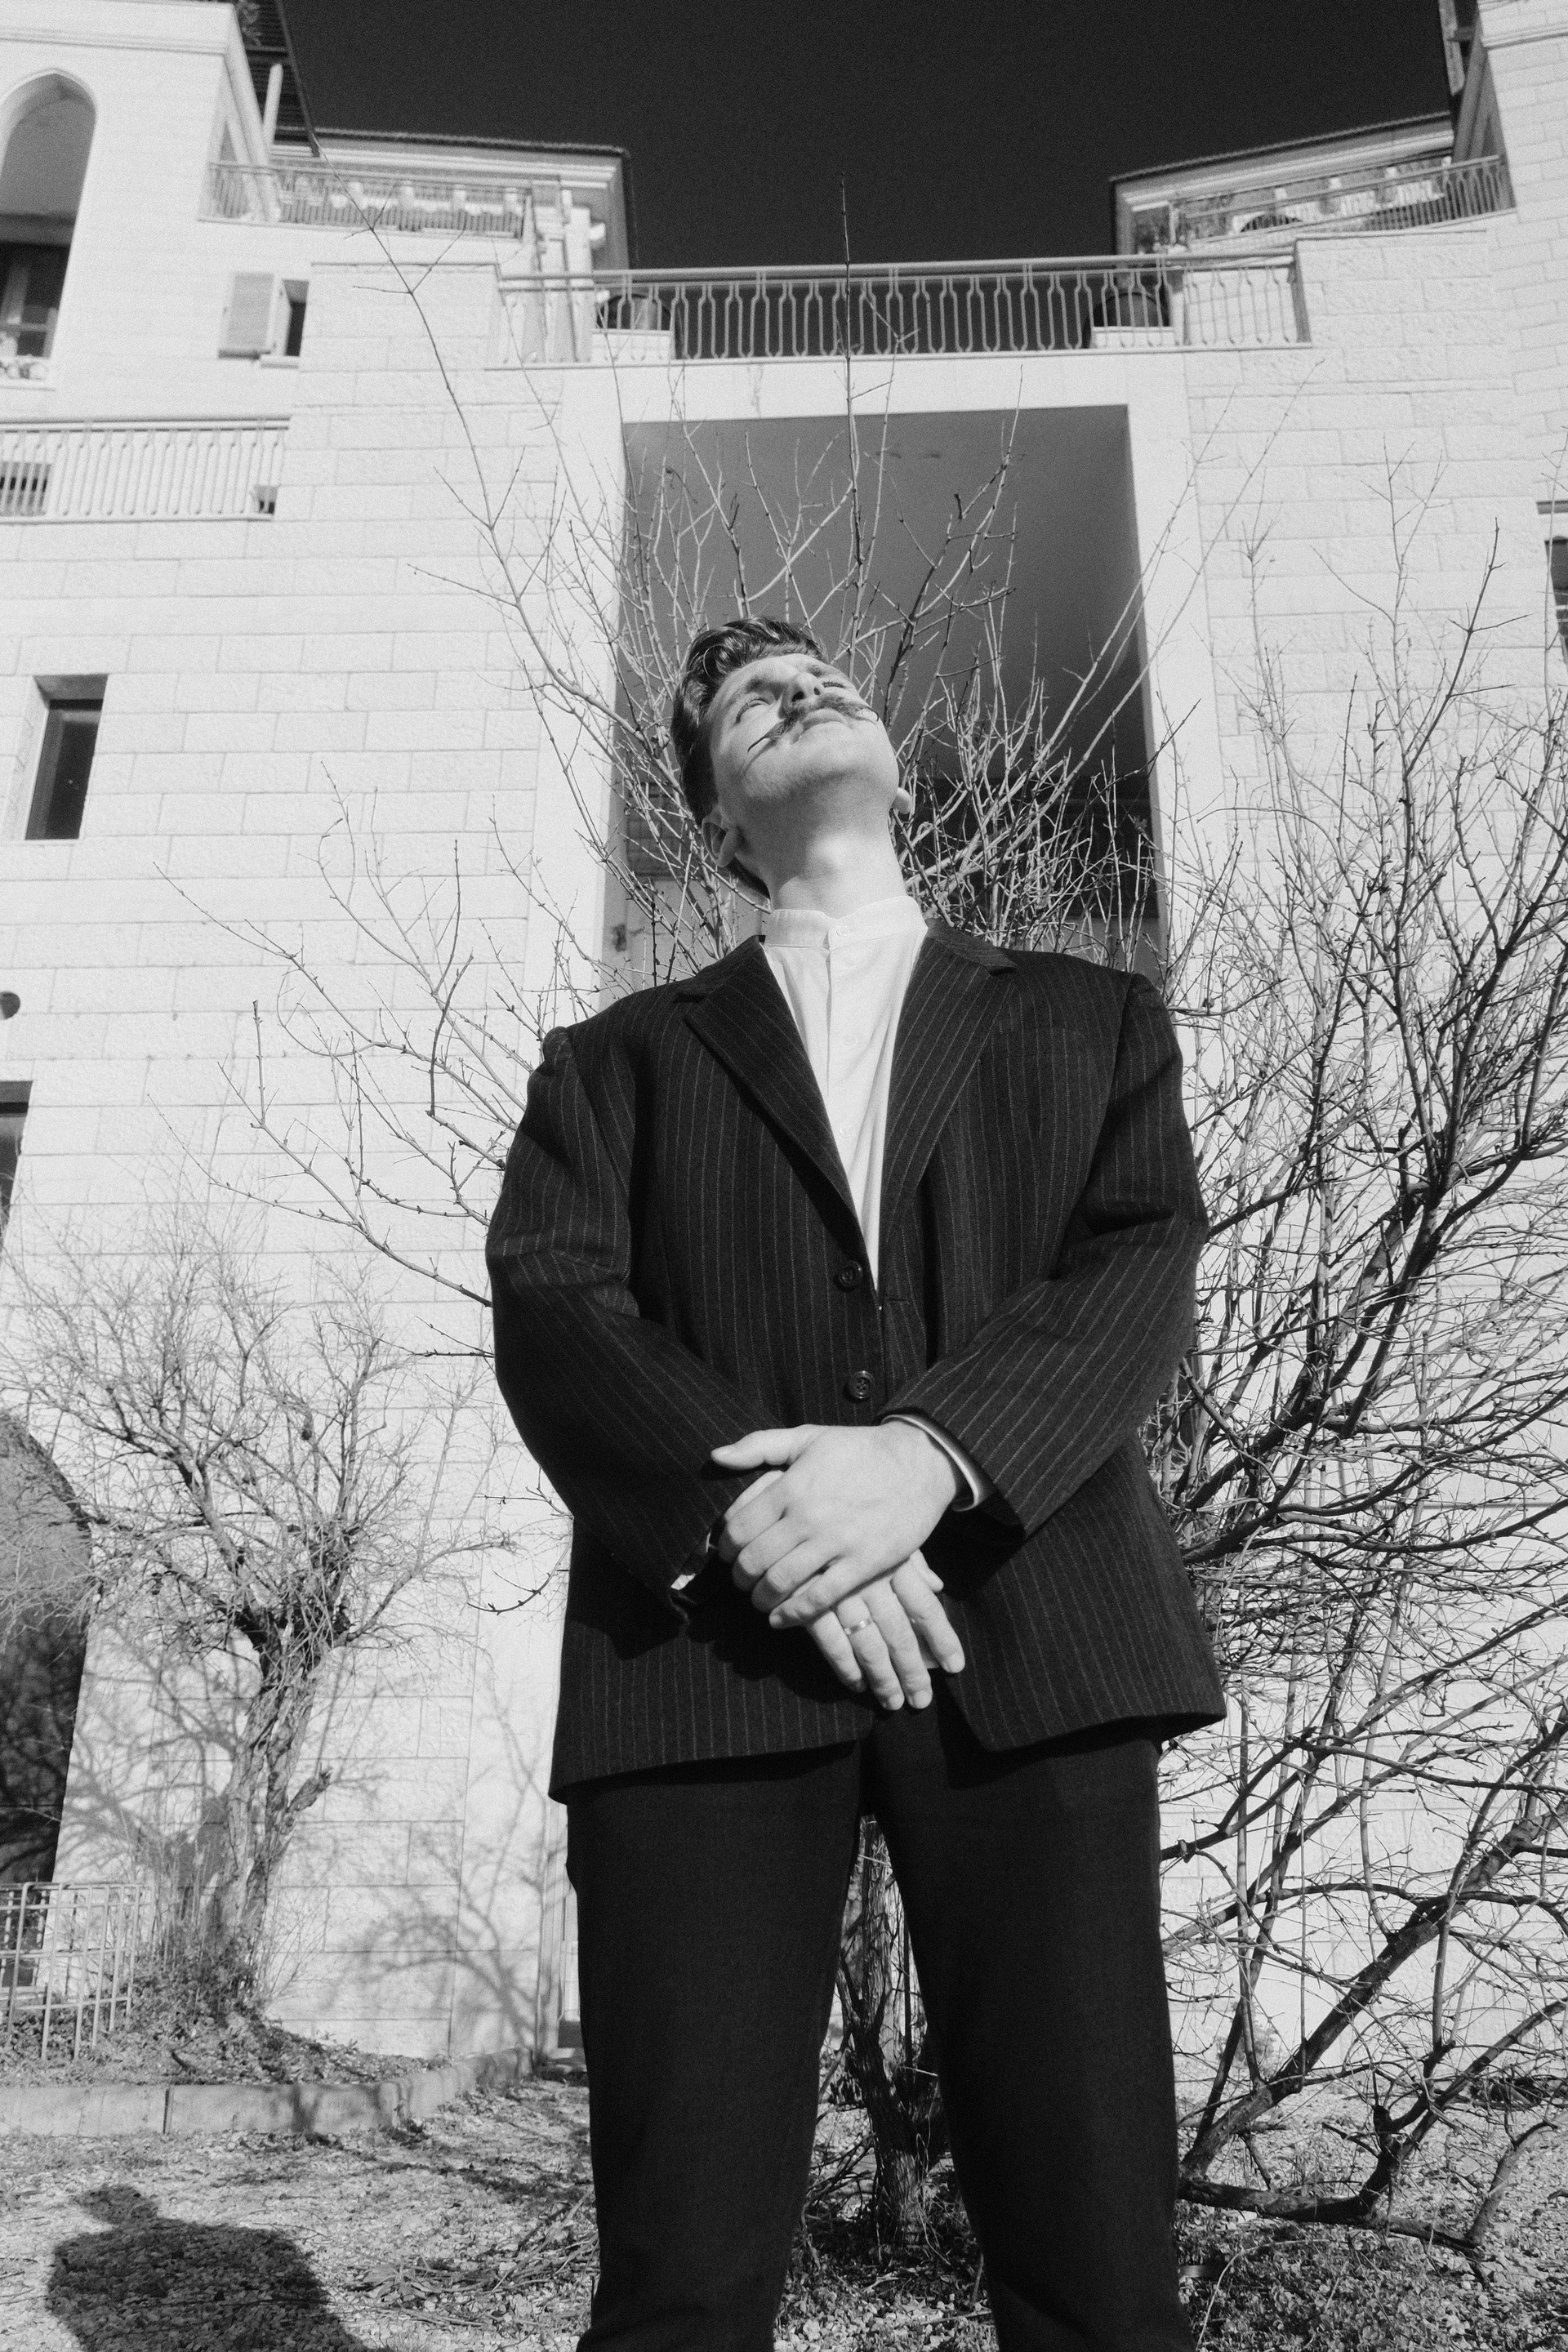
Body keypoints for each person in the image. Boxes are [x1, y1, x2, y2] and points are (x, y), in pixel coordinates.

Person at [487, 615, 1226, 2352]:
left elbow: (1139, 1263)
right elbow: (553, 1299)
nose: (798, 692)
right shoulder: (614, 1059)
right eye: (751, 702)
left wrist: (928, 1459)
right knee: (677, 2283)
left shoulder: (1093, 1018)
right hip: (698, 1667)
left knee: (1103, 2272)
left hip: (1039, 1646)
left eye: (822, 678)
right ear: (711, 814)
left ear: (891, 755)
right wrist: (761, 1519)